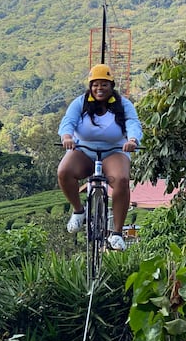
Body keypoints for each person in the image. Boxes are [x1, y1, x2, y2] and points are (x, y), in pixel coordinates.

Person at [57, 64, 142, 251]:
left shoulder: (123, 105)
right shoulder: (80, 103)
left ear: (111, 86)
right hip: (84, 150)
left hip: (114, 151)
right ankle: (79, 211)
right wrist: (67, 137)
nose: (99, 89)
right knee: (64, 171)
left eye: (104, 84)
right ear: (90, 86)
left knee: (121, 180)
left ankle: (117, 233)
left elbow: (133, 123)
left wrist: (133, 140)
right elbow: (68, 122)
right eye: (95, 85)